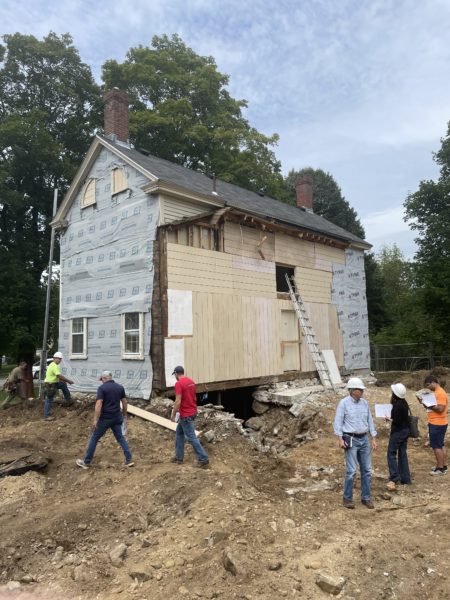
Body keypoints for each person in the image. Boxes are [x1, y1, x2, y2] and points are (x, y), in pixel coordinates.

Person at [333, 377, 378, 509]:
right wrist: (340, 439)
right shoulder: (344, 403)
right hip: (350, 438)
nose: (362, 392)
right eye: (359, 389)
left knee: (367, 470)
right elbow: (338, 421)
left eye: (362, 389)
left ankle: (366, 497)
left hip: (364, 439)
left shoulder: (364, 403)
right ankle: (347, 498)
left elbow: (369, 420)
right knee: (351, 471)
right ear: (352, 390)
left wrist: (373, 438)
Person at [76, 370, 134, 469]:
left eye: (101, 379)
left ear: (103, 378)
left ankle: (86, 462)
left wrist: (95, 419)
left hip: (104, 419)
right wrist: (124, 414)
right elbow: (124, 402)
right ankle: (129, 460)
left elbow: (99, 404)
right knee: (120, 438)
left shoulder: (102, 388)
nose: (101, 381)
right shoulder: (120, 387)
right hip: (116, 418)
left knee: (94, 438)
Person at [170, 366, 209, 468]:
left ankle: (203, 459)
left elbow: (178, 400)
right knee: (179, 433)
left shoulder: (178, 384)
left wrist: (173, 414)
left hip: (185, 414)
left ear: (176, 374)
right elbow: (192, 397)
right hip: (192, 411)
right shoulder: (191, 381)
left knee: (191, 437)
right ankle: (179, 457)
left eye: (174, 375)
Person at [417, 375, 448, 475]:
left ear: (433, 382)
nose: (428, 388)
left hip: (437, 423)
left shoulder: (440, 393)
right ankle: (443, 465)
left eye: (428, 385)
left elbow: (440, 409)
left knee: (436, 446)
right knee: (440, 444)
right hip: (437, 422)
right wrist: (424, 402)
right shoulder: (436, 392)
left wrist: (427, 403)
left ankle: (440, 469)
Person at [385, 383, 411, 490]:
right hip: (405, 431)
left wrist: (389, 419)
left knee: (391, 453)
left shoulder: (397, 405)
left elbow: (397, 421)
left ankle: (394, 477)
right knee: (402, 453)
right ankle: (405, 478)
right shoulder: (404, 403)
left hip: (398, 432)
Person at [43, 352, 74, 421]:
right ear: (54, 358)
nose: (60, 360)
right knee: (49, 399)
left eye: (60, 359)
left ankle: (68, 400)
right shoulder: (54, 366)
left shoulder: (53, 365)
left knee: (63, 384)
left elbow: (55, 376)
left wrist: (64, 381)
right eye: (58, 359)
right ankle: (46, 416)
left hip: (54, 382)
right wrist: (68, 381)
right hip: (51, 384)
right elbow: (58, 376)